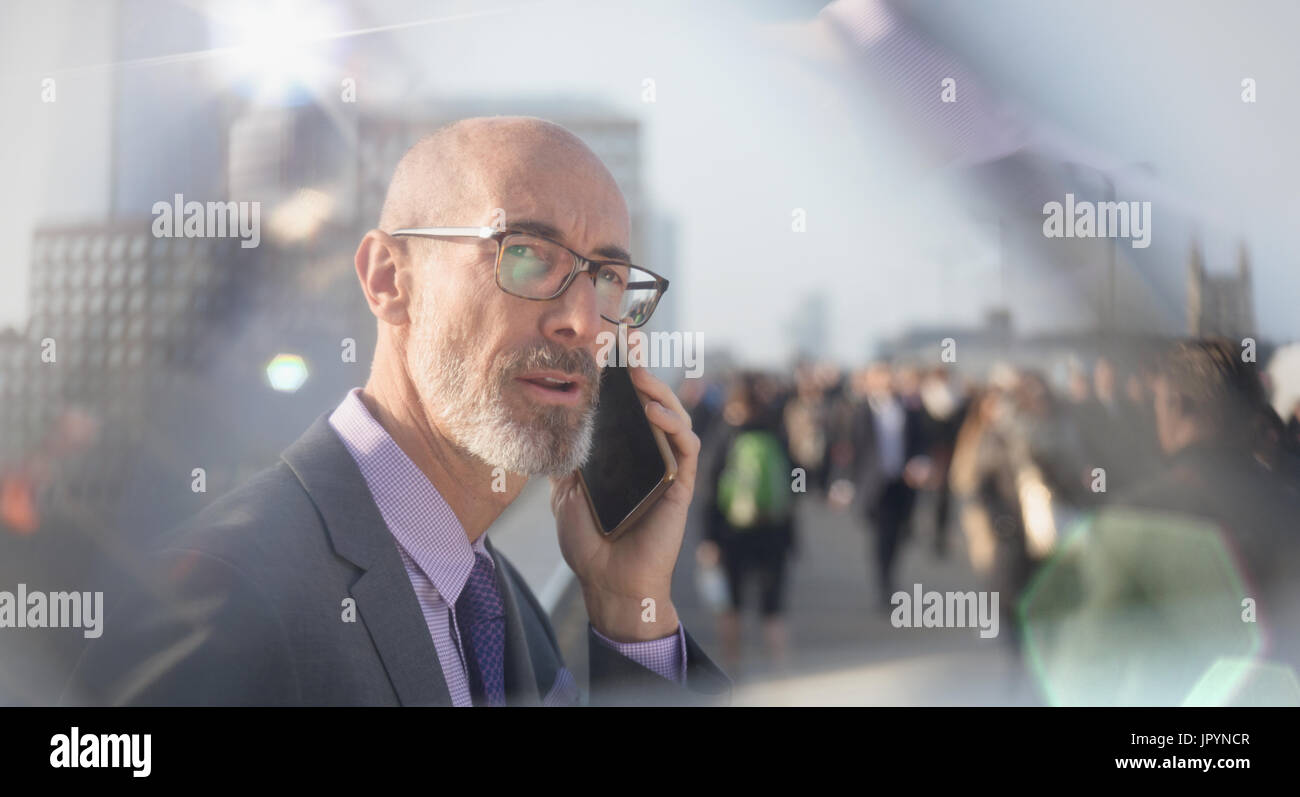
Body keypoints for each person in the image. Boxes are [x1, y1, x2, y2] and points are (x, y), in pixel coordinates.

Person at [63, 117, 730, 706]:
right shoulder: (218, 598)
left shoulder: (505, 599)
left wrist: (628, 608)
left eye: (608, 278)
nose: (583, 321)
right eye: (525, 255)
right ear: (388, 278)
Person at [701, 372, 798, 676]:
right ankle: (781, 673)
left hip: (732, 532)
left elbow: (709, 488)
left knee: (731, 605)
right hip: (774, 531)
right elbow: (796, 482)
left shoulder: (726, 434)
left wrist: (708, 538)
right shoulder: (776, 433)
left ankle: (733, 670)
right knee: (774, 609)